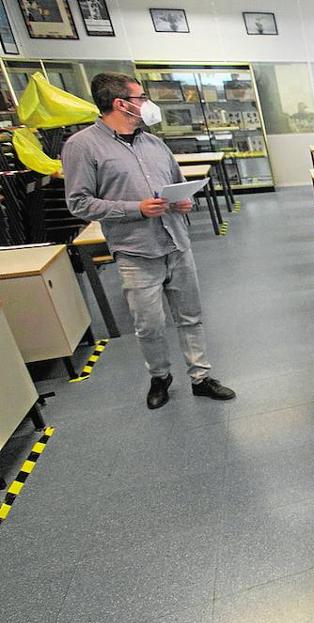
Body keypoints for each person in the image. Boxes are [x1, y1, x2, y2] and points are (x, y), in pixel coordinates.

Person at [62, 72, 235, 409]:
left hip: (176, 242)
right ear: (120, 103)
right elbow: (79, 202)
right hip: (135, 250)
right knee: (149, 323)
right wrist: (135, 209)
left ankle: (200, 376)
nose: (146, 104)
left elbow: (178, 183)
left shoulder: (154, 143)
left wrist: (186, 201)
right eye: (141, 98)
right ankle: (160, 376)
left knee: (190, 315)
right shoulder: (82, 146)